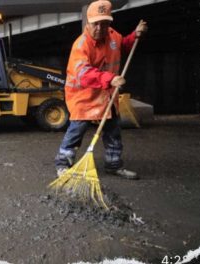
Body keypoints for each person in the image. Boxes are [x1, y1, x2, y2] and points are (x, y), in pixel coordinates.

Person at [54, 0, 148, 180]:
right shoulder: (81, 45)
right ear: (88, 23)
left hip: (106, 96)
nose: (100, 28)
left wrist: (135, 35)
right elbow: (83, 73)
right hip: (84, 97)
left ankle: (114, 165)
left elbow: (123, 46)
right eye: (96, 23)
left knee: (113, 131)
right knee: (77, 131)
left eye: (104, 23)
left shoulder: (113, 37)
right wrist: (111, 78)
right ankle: (63, 164)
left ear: (109, 24)